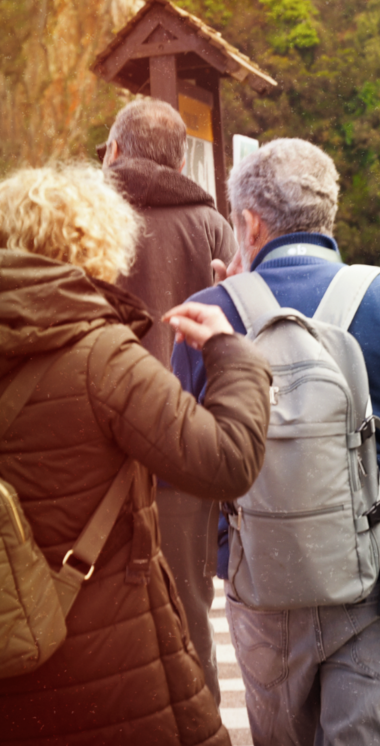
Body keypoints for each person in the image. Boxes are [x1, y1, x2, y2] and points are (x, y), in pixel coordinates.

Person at [0, 163, 271, 746]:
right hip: (103, 678)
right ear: (92, 244)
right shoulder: (102, 355)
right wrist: (230, 352)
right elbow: (226, 461)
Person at [174, 139, 380, 746]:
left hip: (259, 579)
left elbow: (183, 460)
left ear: (249, 222)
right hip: (372, 579)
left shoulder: (206, 313)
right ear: (328, 213)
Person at [99, 98, 239, 699]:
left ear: (116, 151)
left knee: (102, 616)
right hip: (185, 446)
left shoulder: (93, 219)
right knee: (186, 613)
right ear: (181, 159)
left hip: (104, 447)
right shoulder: (213, 228)